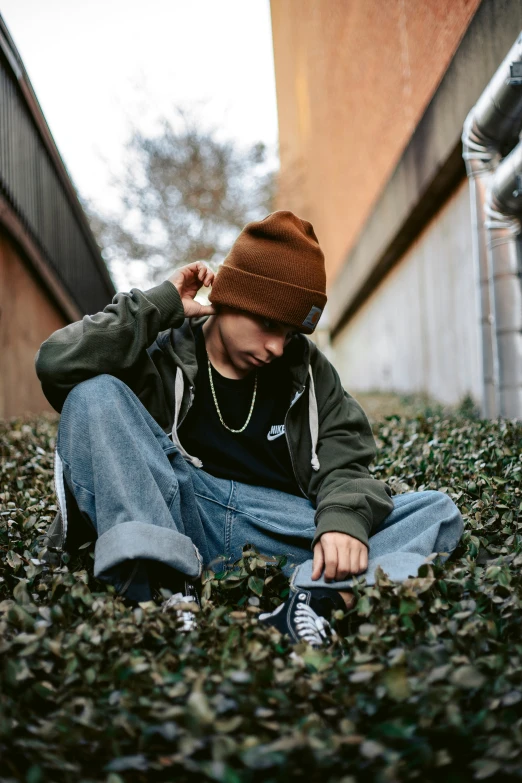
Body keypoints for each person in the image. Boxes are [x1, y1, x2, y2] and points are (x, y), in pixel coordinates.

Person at [35, 210, 464, 647]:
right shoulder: (162, 350)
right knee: (94, 393)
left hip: (272, 525)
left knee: (434, 510)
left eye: (291, 332)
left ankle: (312, 604)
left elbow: (345, 460)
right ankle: (164, 594)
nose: (278, 347)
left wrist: (341, 522)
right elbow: (57, 364)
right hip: (178, 510)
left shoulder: (308, 369)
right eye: (268, 325)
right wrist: (159, 304)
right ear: (229, 297)